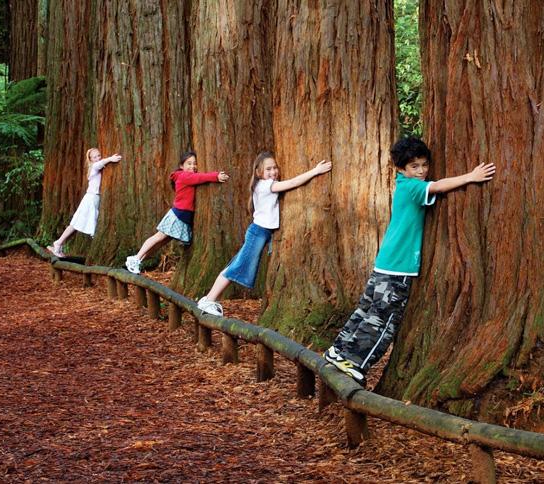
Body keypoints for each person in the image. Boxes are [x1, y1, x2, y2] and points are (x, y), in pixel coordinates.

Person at [323, 137, 496, 385]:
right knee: (384, 318)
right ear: (401, 168)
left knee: (366, 309)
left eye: (424, 165)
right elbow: (438, 186)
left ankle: (338, 350)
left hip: (385, 262)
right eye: (414, 166)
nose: (422, 171)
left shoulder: (403, 185)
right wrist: (470, 176)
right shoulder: (411, 187)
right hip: (398, 267)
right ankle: (353, 360)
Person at [197, 151, 332, 316]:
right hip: (258, 233)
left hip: (259, 233)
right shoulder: (266, 185)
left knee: (234, 265)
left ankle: (209, 300)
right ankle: (209, 300)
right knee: (236, 267)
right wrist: (315, 171)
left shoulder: (261, 185)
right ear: (259, 172)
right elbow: (294, 182)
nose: (273, 172)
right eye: (268, 169)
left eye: (275, 168)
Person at [125, 150, 229, 274]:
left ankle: (139, 260)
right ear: (181, 166)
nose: (193, 167)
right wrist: (216, 176)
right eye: (189, 164)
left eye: (195, 163)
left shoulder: (186, 176)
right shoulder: (184, 176)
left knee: (161, 242)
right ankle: (135, 258)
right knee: (158, 237)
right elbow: (200, 177)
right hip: (178, 215)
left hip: (182, 217)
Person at [47, 148, 122, 257]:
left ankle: (59, 243)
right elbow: (99, 164)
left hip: (93, 198)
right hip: (90, 199)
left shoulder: (97, 166)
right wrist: (111, 158)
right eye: (94, 157)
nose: (98, 158)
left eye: (99, 155)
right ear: (90, 160)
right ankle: (58, 243)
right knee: (76, 223)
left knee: (77, 224)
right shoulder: (94, 167)